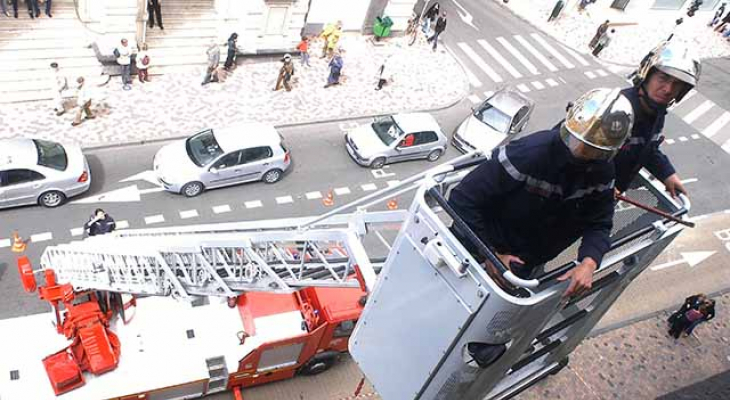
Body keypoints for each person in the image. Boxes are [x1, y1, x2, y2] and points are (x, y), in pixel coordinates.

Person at [448, 88, 634, 298]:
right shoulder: (530, 154)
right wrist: (490, 253)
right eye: (578, 142)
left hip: (522, 265)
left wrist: (589, 262)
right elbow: (462, 199)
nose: (581, 152)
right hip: (473, 249)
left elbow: (600, 222)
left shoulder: (602, 171)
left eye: (593, 150)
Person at [615, 40, 700, 198]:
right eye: (663, 78)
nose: (668, 89)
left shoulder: (656, 113)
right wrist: (599, 184)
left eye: (677, 84)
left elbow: (647, 149)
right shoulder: (614, 111)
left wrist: (667, 174)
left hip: (607, 197)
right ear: (647, 75)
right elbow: (570, 153)